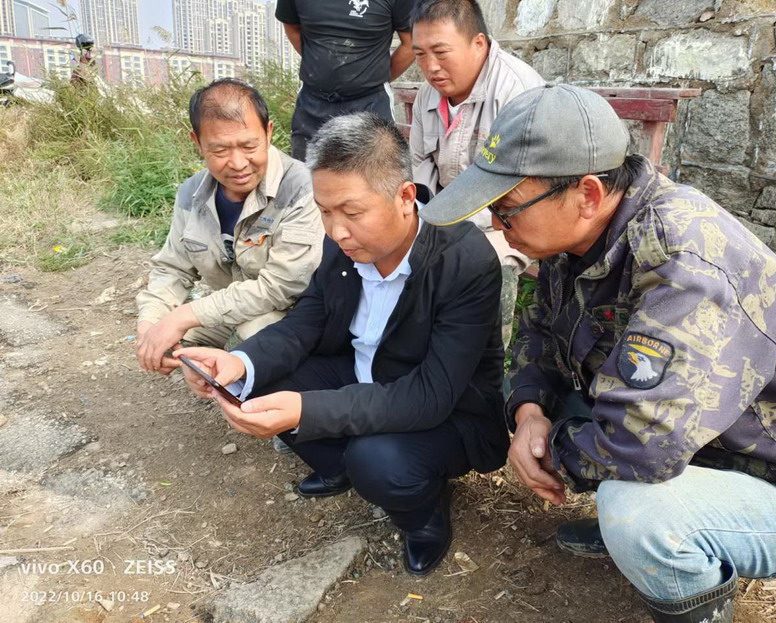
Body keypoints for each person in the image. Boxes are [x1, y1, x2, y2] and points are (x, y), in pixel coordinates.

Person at [419, 84, 776, 622]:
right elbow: (536, 333)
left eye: (507, 209)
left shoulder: (684, 260)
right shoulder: (577, 236)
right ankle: (673, 514)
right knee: (548, 403)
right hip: (710, 443)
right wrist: (529, 413)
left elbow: (642, 444)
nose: (498, 225)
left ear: (588, 194)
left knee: (637, 514)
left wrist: (551, 450)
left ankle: (692, 564)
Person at [175, 113, 509, 576]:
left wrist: (307, 410)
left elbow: (431, 395)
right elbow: (304, 323)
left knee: (378, 461)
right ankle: (339, 468)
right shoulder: (341, 245)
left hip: (447, 409)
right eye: (325, 211)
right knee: (257, 381)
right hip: (364, 374)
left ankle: (424, 515)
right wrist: (239, 361)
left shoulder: (463, 259)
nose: (336, 231)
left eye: (351, 213)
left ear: (405, 197)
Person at [136, 78, 323, 376]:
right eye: (220, 150)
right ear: (197, 143)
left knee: (251, 337)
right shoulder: (192, 194)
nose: (237, 163)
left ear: (269, 133)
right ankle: (211, 371)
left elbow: (281, 286)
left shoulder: (303, 188)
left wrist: (187, 314)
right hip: (233, 311)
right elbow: (172, 269)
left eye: (249, 146)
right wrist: (150, 324)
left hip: (293, 316)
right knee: (170, 343)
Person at [409, 0, 544, 345]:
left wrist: (456, 230)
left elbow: (524, 189)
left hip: (507, 222)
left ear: (478, 43)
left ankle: (486, 360)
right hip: (445, 220)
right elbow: (420, 166)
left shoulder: (517, 91)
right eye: (420, 55)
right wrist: (425, 221)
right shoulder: (428, 96)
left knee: (481, 265)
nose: (431, 67)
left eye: (441, 52)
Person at [276, 0, 416, 161]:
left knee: (374, 171)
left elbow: (411, 42)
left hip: (370, 103)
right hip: (312, 104)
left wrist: (374, 76)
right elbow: (291, 26)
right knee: (306, 172)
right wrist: (322, 66)